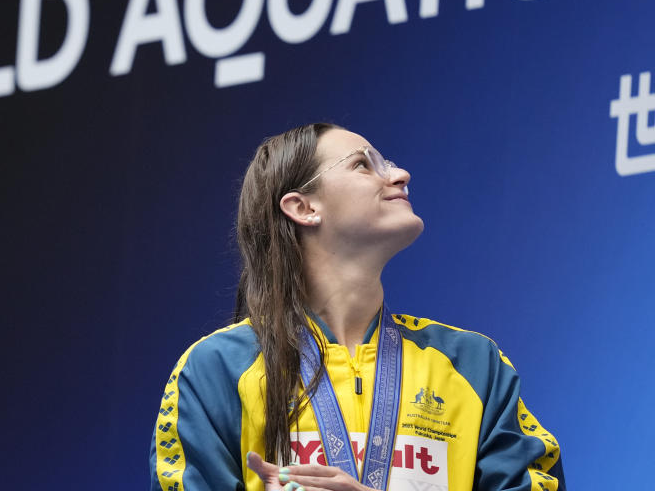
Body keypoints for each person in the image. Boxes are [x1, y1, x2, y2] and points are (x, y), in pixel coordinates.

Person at [150, 123, 565, 491]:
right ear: (303, 207)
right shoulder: (216, 369)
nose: (400, 175)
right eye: (364, 165)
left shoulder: (473, 365)